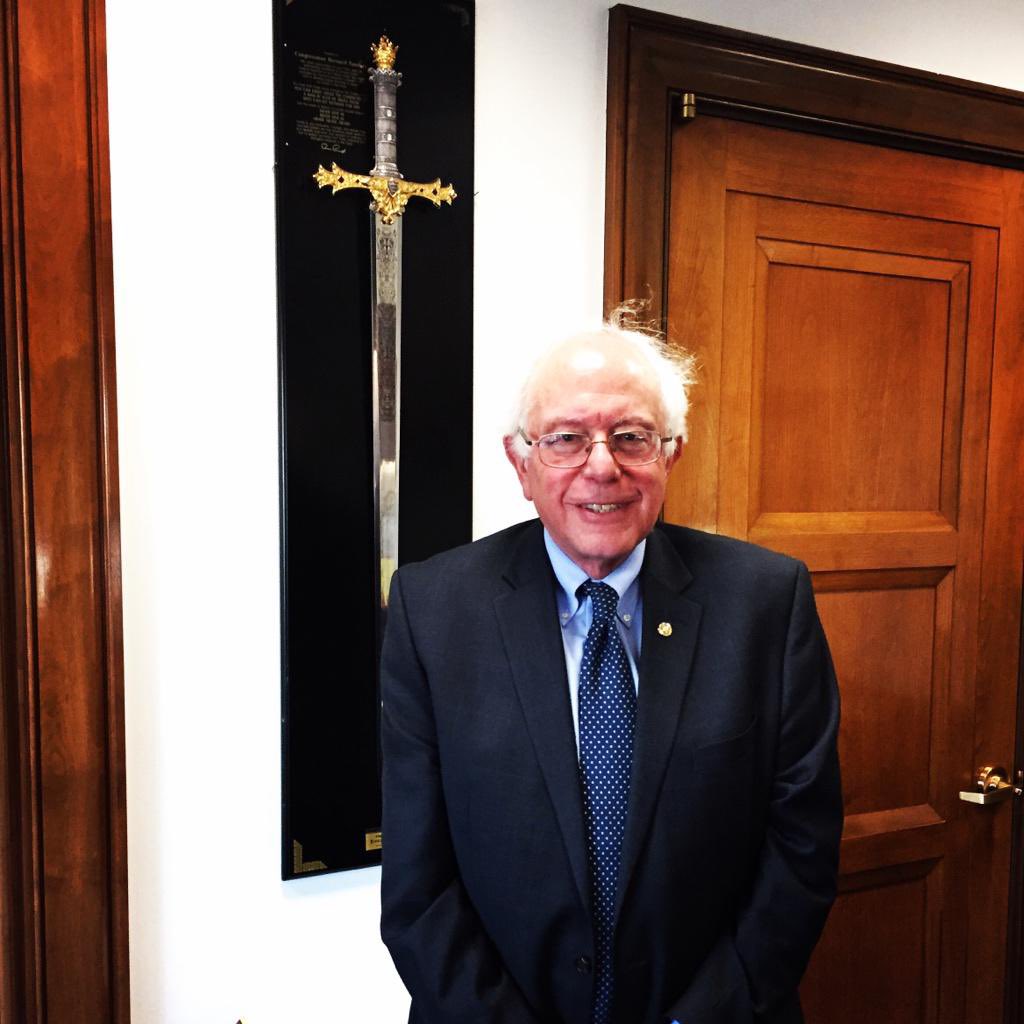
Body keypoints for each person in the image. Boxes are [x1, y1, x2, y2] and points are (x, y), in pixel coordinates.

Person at [380, 310, 842, 1024]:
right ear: (520, 461)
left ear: (671, 454)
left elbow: (802, 845)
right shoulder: (432, 610)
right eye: (566, 439)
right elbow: (418, 883)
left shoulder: (766, 602)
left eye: (632, 437)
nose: (603, 465)